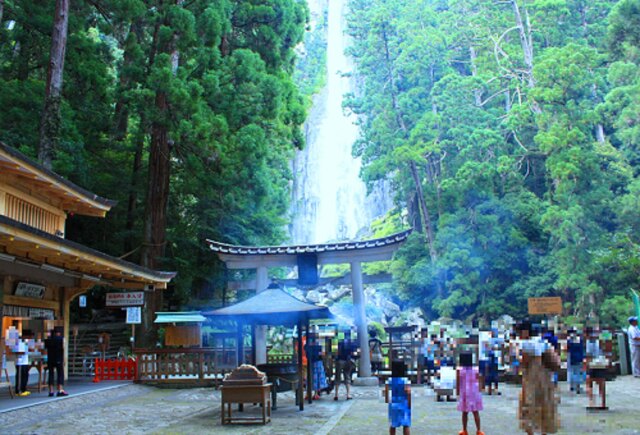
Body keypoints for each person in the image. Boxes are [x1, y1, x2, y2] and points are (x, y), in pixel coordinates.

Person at [517, 321, 561, 435]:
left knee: (528, 409)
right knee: (544, 408)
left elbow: (525, 362)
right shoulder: (543, 342)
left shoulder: (527, 344)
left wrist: (518, 356)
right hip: (545, 380)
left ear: (525, 331)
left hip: (532, 380)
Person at [456, 351, 484, 435]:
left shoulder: (459, 370)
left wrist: (457, 392)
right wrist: (480, 388)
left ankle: (464, 430)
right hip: (474, 392)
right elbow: (480, 378)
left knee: (464, 413)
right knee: (476, 412)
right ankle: (479, 430)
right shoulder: (475, 369)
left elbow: (458, 382)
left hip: (465, 393)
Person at [385, 361, 411, 435]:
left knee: (393, 424)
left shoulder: (390, 379)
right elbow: (408, 391)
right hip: (403, 402)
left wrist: (387, 400)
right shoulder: (404, 380)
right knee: (406, 424)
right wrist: (409, 402)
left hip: (393, 402)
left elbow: (386, 390)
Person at [334, 329, 358, 401]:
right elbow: (355, 353)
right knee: (347, 376)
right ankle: (348, 394)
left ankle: (336, 395)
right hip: (348, 361)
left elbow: (336, 352)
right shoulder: (352, 343)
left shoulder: (340, 342)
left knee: (337, 377)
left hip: (340, 360)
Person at [45, 327, 68, 397]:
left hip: (50, 359)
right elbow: (63, 348)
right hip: (58, 358)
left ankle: (51, 390)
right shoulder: (61, 339)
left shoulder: (48, 339)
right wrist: (64, 359)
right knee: (60, 374)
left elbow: (45, 349)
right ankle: (60, 389)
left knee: (51, 374)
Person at [305, 332, 327, 399]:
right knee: (317, 377)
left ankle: (308, 393)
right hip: (318, 362)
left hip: (310, 363)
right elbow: (322, 354)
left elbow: (306, 353)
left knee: (310, 377)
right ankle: (316, 393)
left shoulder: (307, 345)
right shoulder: (319, 345)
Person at [566, 329, 585, 394]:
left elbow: (567, 350)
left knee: (572, 372)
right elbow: (582, 350)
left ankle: (572, 386)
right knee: (578, 372)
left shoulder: (569, 340)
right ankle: (577, 386)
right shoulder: (580, 340)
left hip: (572, 358)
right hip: (579, 358)